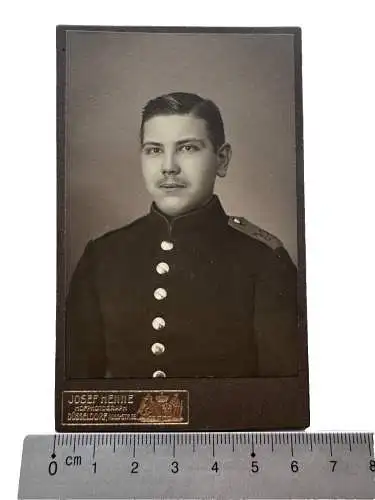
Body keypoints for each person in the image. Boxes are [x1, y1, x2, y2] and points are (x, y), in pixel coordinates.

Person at [66, 91, 298, 380]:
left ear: (222, 159)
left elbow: (282, 401)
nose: (168, 166)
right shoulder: (100, 258)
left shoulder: (265, 261)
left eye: (187, 148)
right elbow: (76, 394)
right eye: (154, 150)